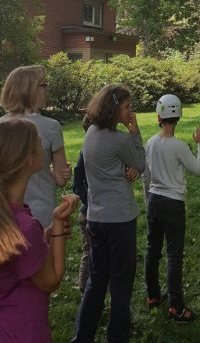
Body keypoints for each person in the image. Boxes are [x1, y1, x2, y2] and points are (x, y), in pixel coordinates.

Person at [72, 84, 145, 343]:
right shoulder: (121, 139)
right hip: (120, 220)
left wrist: (127, 169)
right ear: (114, 109)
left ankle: (82, 337)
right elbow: (140, 162)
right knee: (121, 283)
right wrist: (135, 133)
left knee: (96, 280)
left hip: (95, 218)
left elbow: (116, 165)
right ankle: (117, 337)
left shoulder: (90, 132)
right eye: (127, 107)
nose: (130, 112)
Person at [0, 118, 79, 343]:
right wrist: (59, 224)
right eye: (37, 140)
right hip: (25, 331)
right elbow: (51, 279)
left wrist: (47, 235)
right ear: (28, 159)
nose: (42, 141)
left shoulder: (9, 217)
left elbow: (19, 256)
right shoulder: (24, 227)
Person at [143, 94, 200, 323]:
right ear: (178, 116)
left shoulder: (150, 143)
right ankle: (176, 307)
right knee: (173, 255)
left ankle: (152, 296)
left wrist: (147, 199)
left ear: (159, 117)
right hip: (173, 204)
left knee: (152, 249)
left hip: (154, 201)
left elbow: (147, 176)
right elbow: (199, 169)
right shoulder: (179, 146)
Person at [0, 65, 72, 228]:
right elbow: (61, 179)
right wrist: (61, 172)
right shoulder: (51, 127)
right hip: (41, 214)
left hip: (5, 215)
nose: (47, 88)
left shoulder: (1, 125)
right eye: (43, 84)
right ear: (29, 89)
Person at [72, 114, 91, 294]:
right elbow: (77, 184)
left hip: (89, 211)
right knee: (89, 251)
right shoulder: (86, 152)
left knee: (89, 250)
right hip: (88, 213)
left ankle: (87, 286)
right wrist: (89, 200)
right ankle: (84, 286)